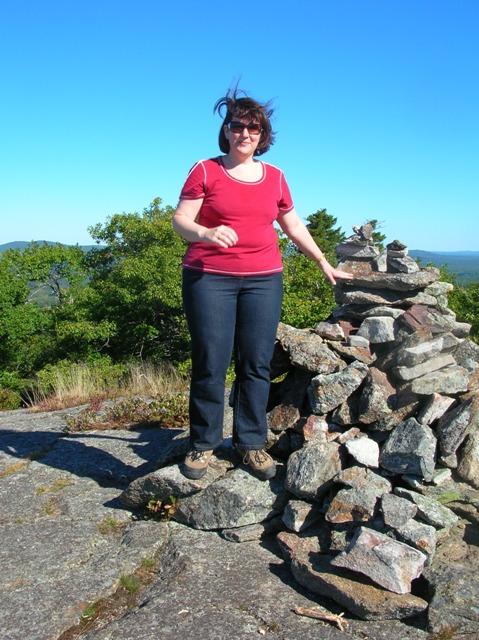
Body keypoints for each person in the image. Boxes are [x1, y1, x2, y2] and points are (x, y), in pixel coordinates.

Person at [172, 88, 353, 481]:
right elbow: (180, 220)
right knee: (211, 362)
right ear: (227, 131)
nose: (245, 133)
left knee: (256, 363)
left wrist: (323, 262)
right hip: (209, 278)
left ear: (262, 135)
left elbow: (292, 224)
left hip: (263, 278)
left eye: (253, 127)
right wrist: (206, 233)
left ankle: (250, 444)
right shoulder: (205, 169)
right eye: (237, 126)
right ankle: (203, 444)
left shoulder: (276, 177)